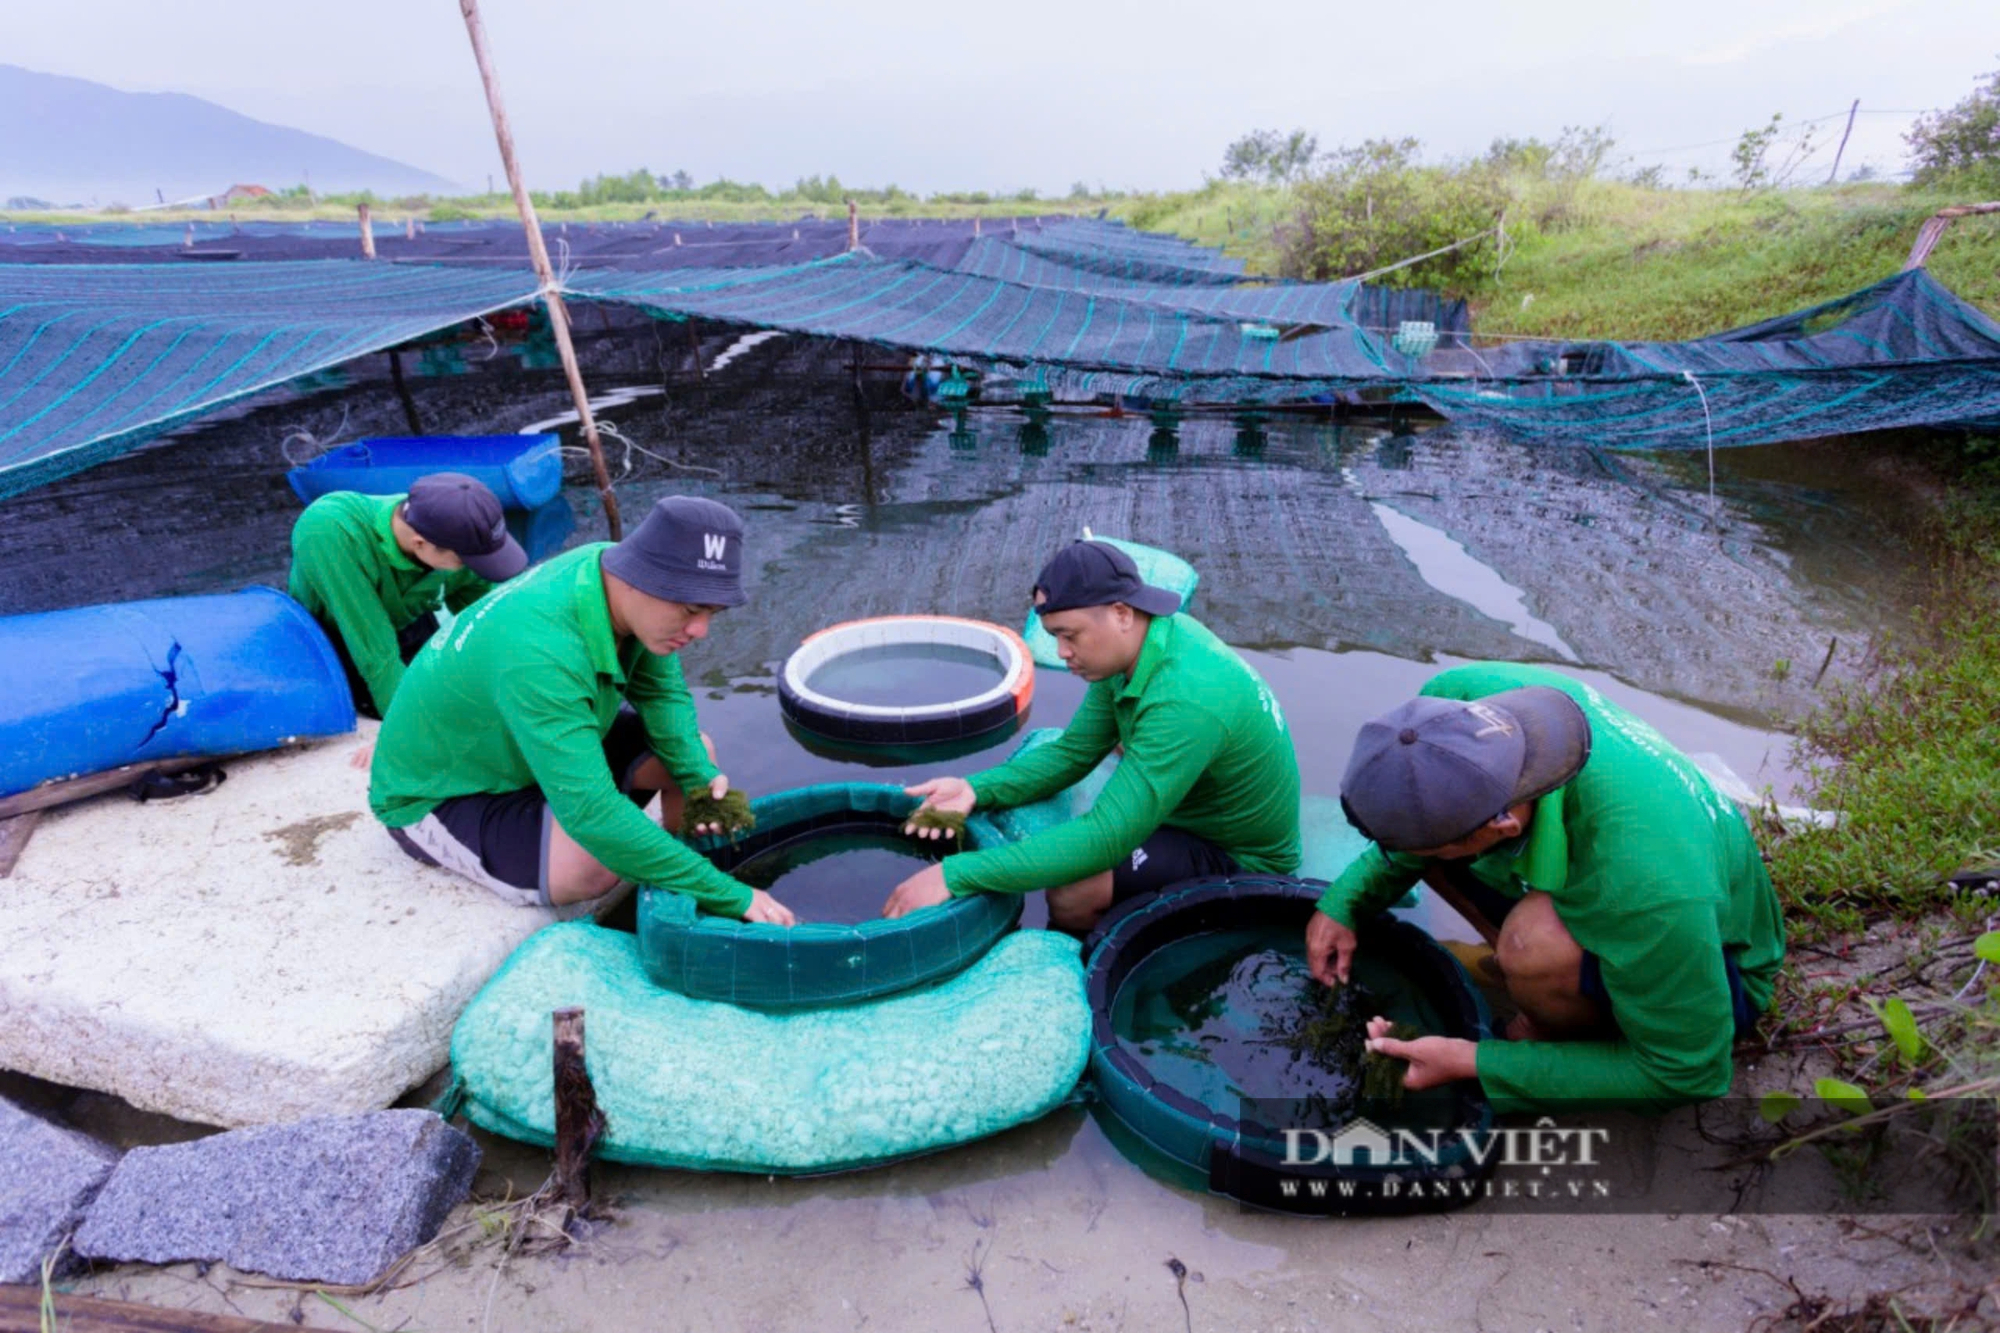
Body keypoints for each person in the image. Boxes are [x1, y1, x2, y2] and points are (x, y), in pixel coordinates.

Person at [1309, 662, 1786, 1115]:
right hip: (1620, 876)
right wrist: (1345, 903)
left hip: (1711, 970)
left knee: (1529, 945)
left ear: (1502, 825)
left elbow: (1688, 1074)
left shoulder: (1648, 887)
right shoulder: (1461, 702)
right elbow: (1422, 810)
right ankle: (1528, 975)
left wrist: (1473, 1062)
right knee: (1427, 858)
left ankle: (1540, 1015)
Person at [368, 495, 794, 924]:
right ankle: (689, 882)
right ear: (638, 577)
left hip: (521, 743)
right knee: (593, 866)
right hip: (443, 791)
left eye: (713, 612)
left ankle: (677, 876)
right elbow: (591, 813)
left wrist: (700, 783)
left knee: (696, 753)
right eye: (690, 610)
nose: (701, 630)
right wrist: (729, 895)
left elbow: (663, 696)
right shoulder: (540, 653)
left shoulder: (607, 570)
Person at [883, 539, 1301, 933]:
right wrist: (975, 789)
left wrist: (954, 874)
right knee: (1108, 772)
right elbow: (1073, 753)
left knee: (1073, 892)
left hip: (1240, 856)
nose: (1062, 652)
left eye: (1070, 635)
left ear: (1121, 613)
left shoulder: (1185, 698)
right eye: (1055, 637)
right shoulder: (1137, 646)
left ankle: (1084, 957)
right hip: (1191, 809)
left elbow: (1106, 837)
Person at [288, 473, 527, 719]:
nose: (473, 569)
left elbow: (490, 624)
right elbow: (376, 653)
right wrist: (403, 730)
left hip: (409, 615)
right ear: (420, 543)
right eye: (466, 561)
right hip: (340, 639)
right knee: (428, 718)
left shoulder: (455, 527)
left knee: (467, 698)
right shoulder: (327, 531)